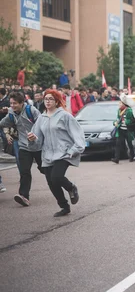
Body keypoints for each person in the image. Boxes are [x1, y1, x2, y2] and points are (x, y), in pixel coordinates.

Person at [27, 89, 84, 217]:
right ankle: (64, 206)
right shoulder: (42, 118)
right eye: (46, 99)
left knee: (56, 177)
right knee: (51, 183)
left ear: (57, 101)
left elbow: (78, 135)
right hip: (47, 154)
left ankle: (71, 188)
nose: (47, 101)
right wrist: (32, 139)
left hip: (64, 152)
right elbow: (37, 140)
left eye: (51, 99)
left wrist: (74, 150)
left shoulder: (65, 116)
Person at [0, 92, 44, 206]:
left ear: (22, 103)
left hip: (38, 146)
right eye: (11, 103)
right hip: (24, 147)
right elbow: (3, 123)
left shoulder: (31, 110)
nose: (12, 105)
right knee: (24, 172)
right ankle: (24, 196)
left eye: (15, 103)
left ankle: (64, 184)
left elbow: (42, 124)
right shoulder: (11, 113)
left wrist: (36, 135)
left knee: (46, 170)